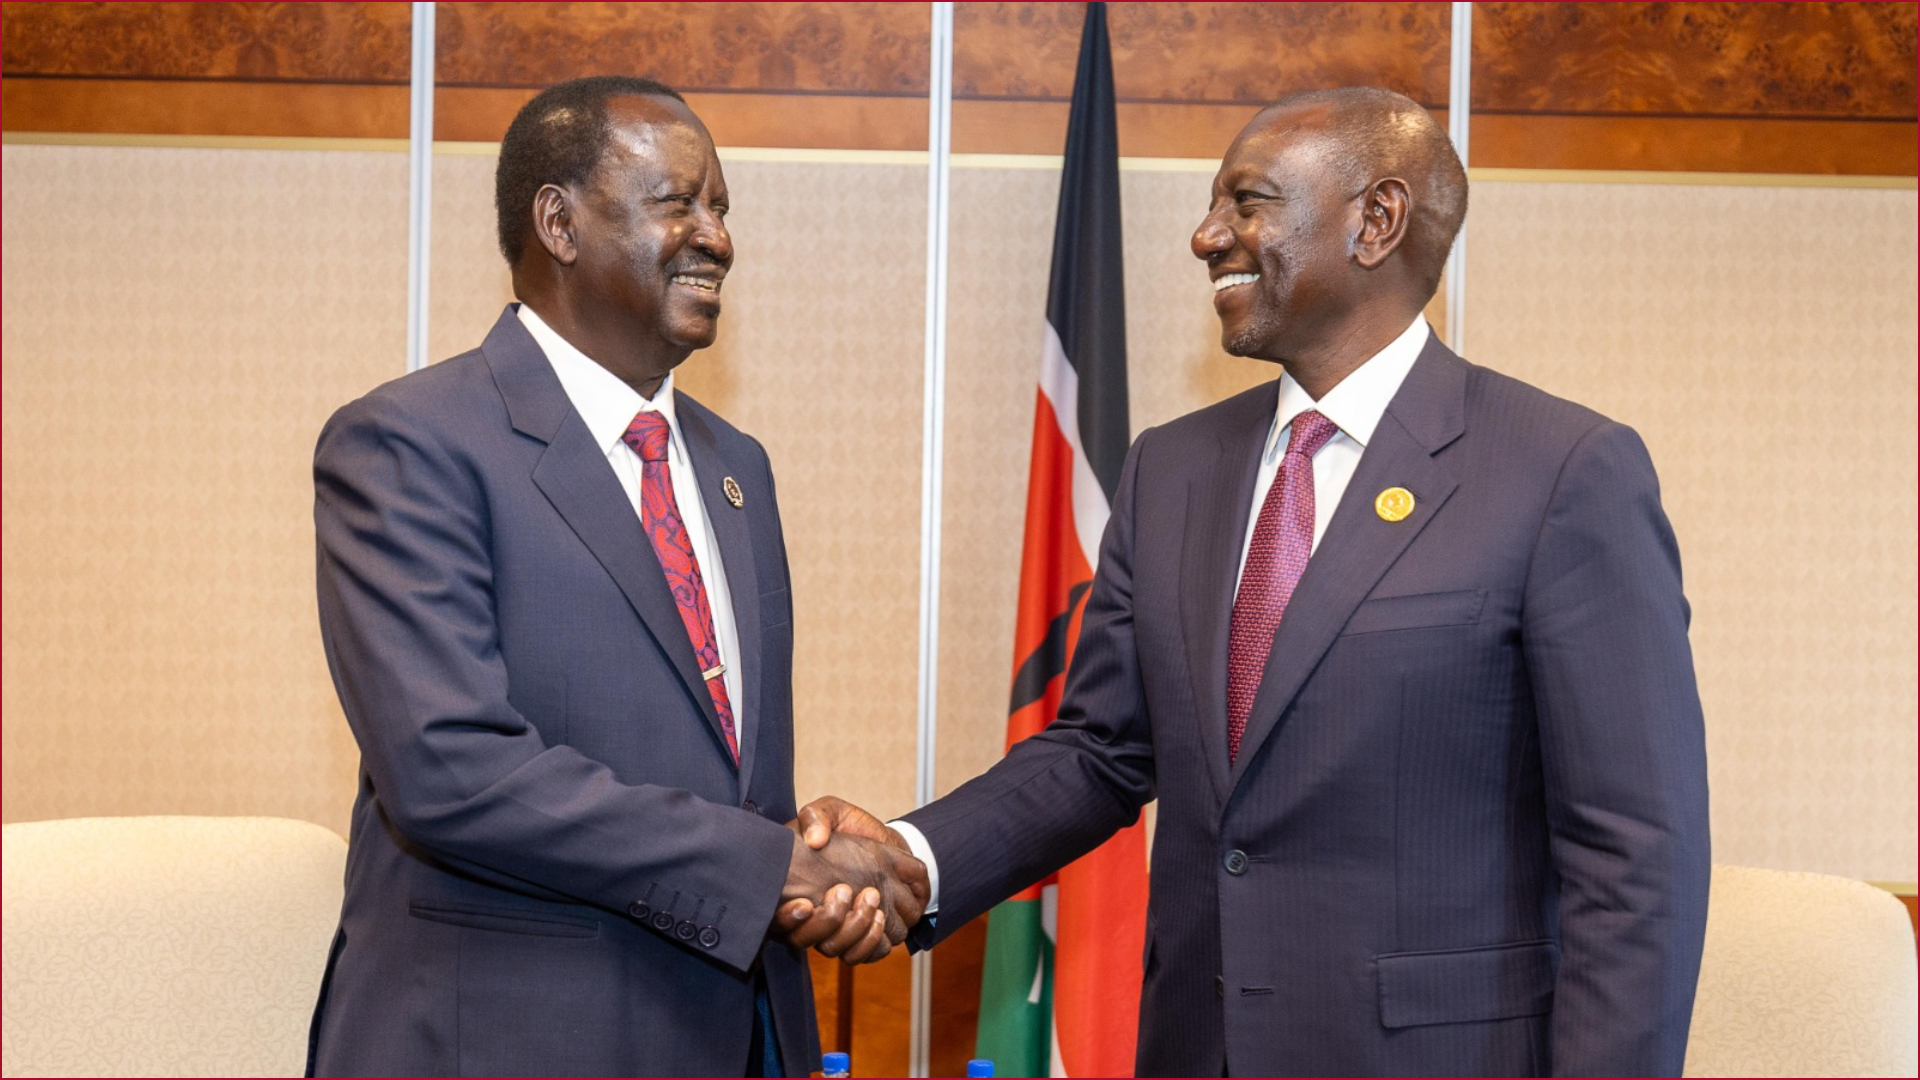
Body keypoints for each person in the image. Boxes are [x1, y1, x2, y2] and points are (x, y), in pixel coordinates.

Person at [800, 87, 1711, 1077]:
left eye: (1246, 202)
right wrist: (909, 858)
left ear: (1376, 220)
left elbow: (1634, 857)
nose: (1205, 237)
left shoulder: (1560, 473)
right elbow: (1102, 752)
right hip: (1200, 1047)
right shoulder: (1174, 470)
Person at [307, 76, 925, 1078]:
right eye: (678, 201)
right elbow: (451, 773)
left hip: (730, 1032)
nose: (716, 237)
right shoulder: (411, 444)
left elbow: (725, 776)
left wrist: (810, 882)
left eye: (721, 206)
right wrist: (773, 870)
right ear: (557, 220)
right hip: (507, 1041)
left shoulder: (736, 467)